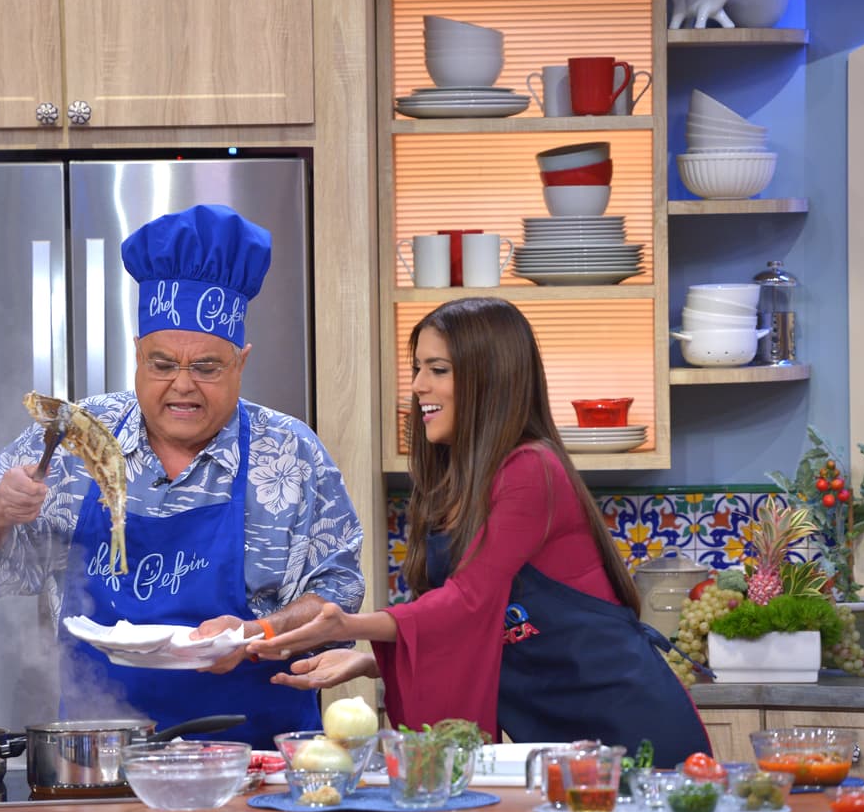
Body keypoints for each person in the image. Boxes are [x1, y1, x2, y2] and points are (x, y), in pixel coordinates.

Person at [0, 204, 365, 749]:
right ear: (137, 355)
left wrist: (256, 633)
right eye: (163, 364)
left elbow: (338, 593)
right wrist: (0, 507)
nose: (182, 385)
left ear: (241, 362)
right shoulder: (75, 439)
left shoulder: (289, 453)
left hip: (260, 758)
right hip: (102, 754)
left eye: (207, 367)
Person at [248, 296, 710, 765]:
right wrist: (369, 661)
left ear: (490, 377)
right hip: (562, 744)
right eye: (417, 369)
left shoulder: (531, 469)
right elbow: (479, 629)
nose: (418, 386)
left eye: (438, 370)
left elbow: (467, 601)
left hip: (630, 728)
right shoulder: (459, 483)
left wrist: (350, 625)